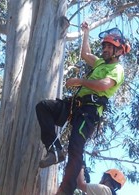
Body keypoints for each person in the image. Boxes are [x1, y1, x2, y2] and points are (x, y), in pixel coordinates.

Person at [36, 21, 130, 195]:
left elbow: (103, 85)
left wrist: (79, 81)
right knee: (44, 107)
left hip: (89, 112)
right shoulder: (101, 63)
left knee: (75, 147)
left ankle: (66, 190)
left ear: (118, 51)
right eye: (105, 46)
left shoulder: (117, 69)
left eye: (109, 47)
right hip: (75, 105)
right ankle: (55, 149)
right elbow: (85, 54)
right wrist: (86, 32)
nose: (105, 49)